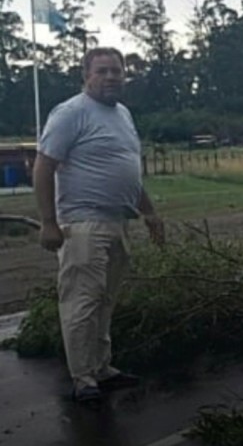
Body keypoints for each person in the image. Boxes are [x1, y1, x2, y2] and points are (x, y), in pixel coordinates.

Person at [33, 47, 166, 403]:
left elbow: (129, 171)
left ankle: (102, 368)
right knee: (82, 302)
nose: (111, 77)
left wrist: (149, 213)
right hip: (82, 224)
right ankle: (84, 379)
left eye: (116, 71)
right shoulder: (71, 113)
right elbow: (43, 167)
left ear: (125, 75)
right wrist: (48, 223)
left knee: (105, 300)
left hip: (117, 222)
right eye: (102, 71)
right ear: (86, 76)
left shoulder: (122, 114)